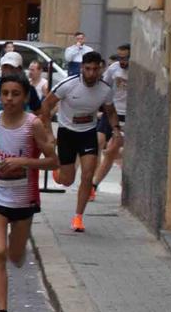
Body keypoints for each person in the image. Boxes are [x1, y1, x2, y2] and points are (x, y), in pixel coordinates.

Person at [0, 74, 58, 312]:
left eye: (16, 94)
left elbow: (53, 162)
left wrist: (23, 162)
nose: (10, 99)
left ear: (25, 97)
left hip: (24, 201)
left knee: (15, 256)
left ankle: (19, 247)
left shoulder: (32, 125)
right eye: (5, 93)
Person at [41, 52, 118, 233]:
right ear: (82, 68)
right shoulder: (68, 85)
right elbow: (46, 105)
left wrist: (116, 130)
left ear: (101, 69)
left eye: (95, 69)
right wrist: (48, 132)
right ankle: (58, 172)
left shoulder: (105, 90)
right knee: (67, 181)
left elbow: (111, 111)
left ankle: (78, 217)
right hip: (67, 133)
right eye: (88, 69)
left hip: (88, 133)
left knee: (87, 174)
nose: (91, 73)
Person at [95, 44, 131, 188]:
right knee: (98, 142)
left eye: (125, 58)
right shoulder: (114, 68)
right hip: (112, 111)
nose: (122, 61)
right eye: (120, 57)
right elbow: (104, 86)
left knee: (111, 151)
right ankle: (92, 179)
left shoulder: (137, 70)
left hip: (127, 115)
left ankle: (94, 183)